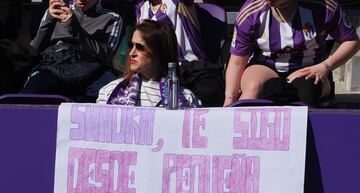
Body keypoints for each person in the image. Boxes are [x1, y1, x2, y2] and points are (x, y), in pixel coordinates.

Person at [224, 0, 360, 107]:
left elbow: (352, 41)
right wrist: (229, 97)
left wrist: (325, 66)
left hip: (310, 66)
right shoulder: (251, 12)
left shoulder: (322, 6)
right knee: (253, 88)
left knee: (307, 91)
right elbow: (237, 61)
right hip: (266, 66)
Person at [20, 0, 122, 100]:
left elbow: (106, 56)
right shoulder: (59, 8)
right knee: (27, 96)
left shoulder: (112, 17)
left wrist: (75, 27)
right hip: (56, 63)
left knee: (111, 94)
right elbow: (34, 49)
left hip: (90, 66)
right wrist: (49, 19)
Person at [134, 0, 225, 107]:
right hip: (157, 71)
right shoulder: (141, 8)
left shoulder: (180, 2)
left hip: (191, 69)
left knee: (208, 94)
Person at [97, 19, 199, 107]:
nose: (132, 53)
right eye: (131, 45)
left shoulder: (187, 99)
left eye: (140, 47)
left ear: (159, 52)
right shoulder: (110, 92)